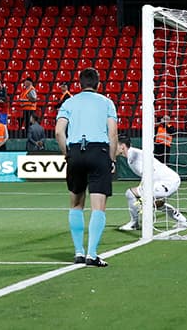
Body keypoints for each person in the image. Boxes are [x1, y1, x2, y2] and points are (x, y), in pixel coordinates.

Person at [54, 67, 118, 267]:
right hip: (98, 152)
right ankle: (92, 254)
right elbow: (113, 133)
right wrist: (112, 159)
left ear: (79, 84)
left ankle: (78, 252)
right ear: (98, 84)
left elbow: (58, 132)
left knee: (76, 204)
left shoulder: (69, 102)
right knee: (98, 207)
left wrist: (67, 154)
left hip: (75, 152)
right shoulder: (107, 103)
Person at [116, 135, 187, 232]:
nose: (112, 148)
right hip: (169, 180)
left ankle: (134, 223)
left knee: (130, 193)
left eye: (115, 145)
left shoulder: (133, 156)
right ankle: (184, 222)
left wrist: (142, 194)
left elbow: (148, 172)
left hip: (167, 181)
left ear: (122, 146)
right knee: (156, 203)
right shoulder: (133, 154)